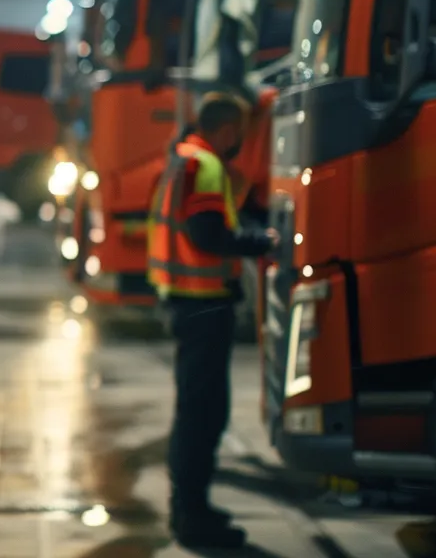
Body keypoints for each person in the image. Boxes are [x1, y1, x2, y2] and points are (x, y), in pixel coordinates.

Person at [147, 92, 277, 549]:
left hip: (186, 302)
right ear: (226, 130)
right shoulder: (206, 165)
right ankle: (192, 514)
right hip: (203, 304)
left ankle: (190, 507)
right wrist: (261, 242)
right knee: (203, 414)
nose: (240, 142)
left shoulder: (183, 155)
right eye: (238, 134)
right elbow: (208, 235)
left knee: (197, 410)